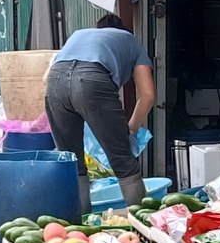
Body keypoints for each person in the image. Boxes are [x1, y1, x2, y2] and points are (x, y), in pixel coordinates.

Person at [45, 12, 156, 212]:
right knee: (123, 160)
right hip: (93, 80)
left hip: (55, 82)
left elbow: (46, 78)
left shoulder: (79, 35)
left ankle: (79, 228)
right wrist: (130, 128)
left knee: (72, 162)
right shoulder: (131, 41)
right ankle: (144, 222)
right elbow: (147, 95)